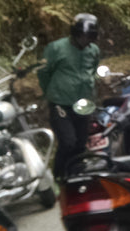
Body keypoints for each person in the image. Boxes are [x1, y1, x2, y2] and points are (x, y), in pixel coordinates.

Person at [38, 13, 100, 179]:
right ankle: (58, 176)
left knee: (80, 143)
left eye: (89, 37)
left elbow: (93, 70)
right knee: (68, 142)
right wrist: (51, 93)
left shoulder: (93, 51)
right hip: (61, 103)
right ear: (75, 33)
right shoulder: (56, 48)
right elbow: (44, 73)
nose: (86, 40)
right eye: (83, 36)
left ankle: (75, 174)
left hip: (84, 104)